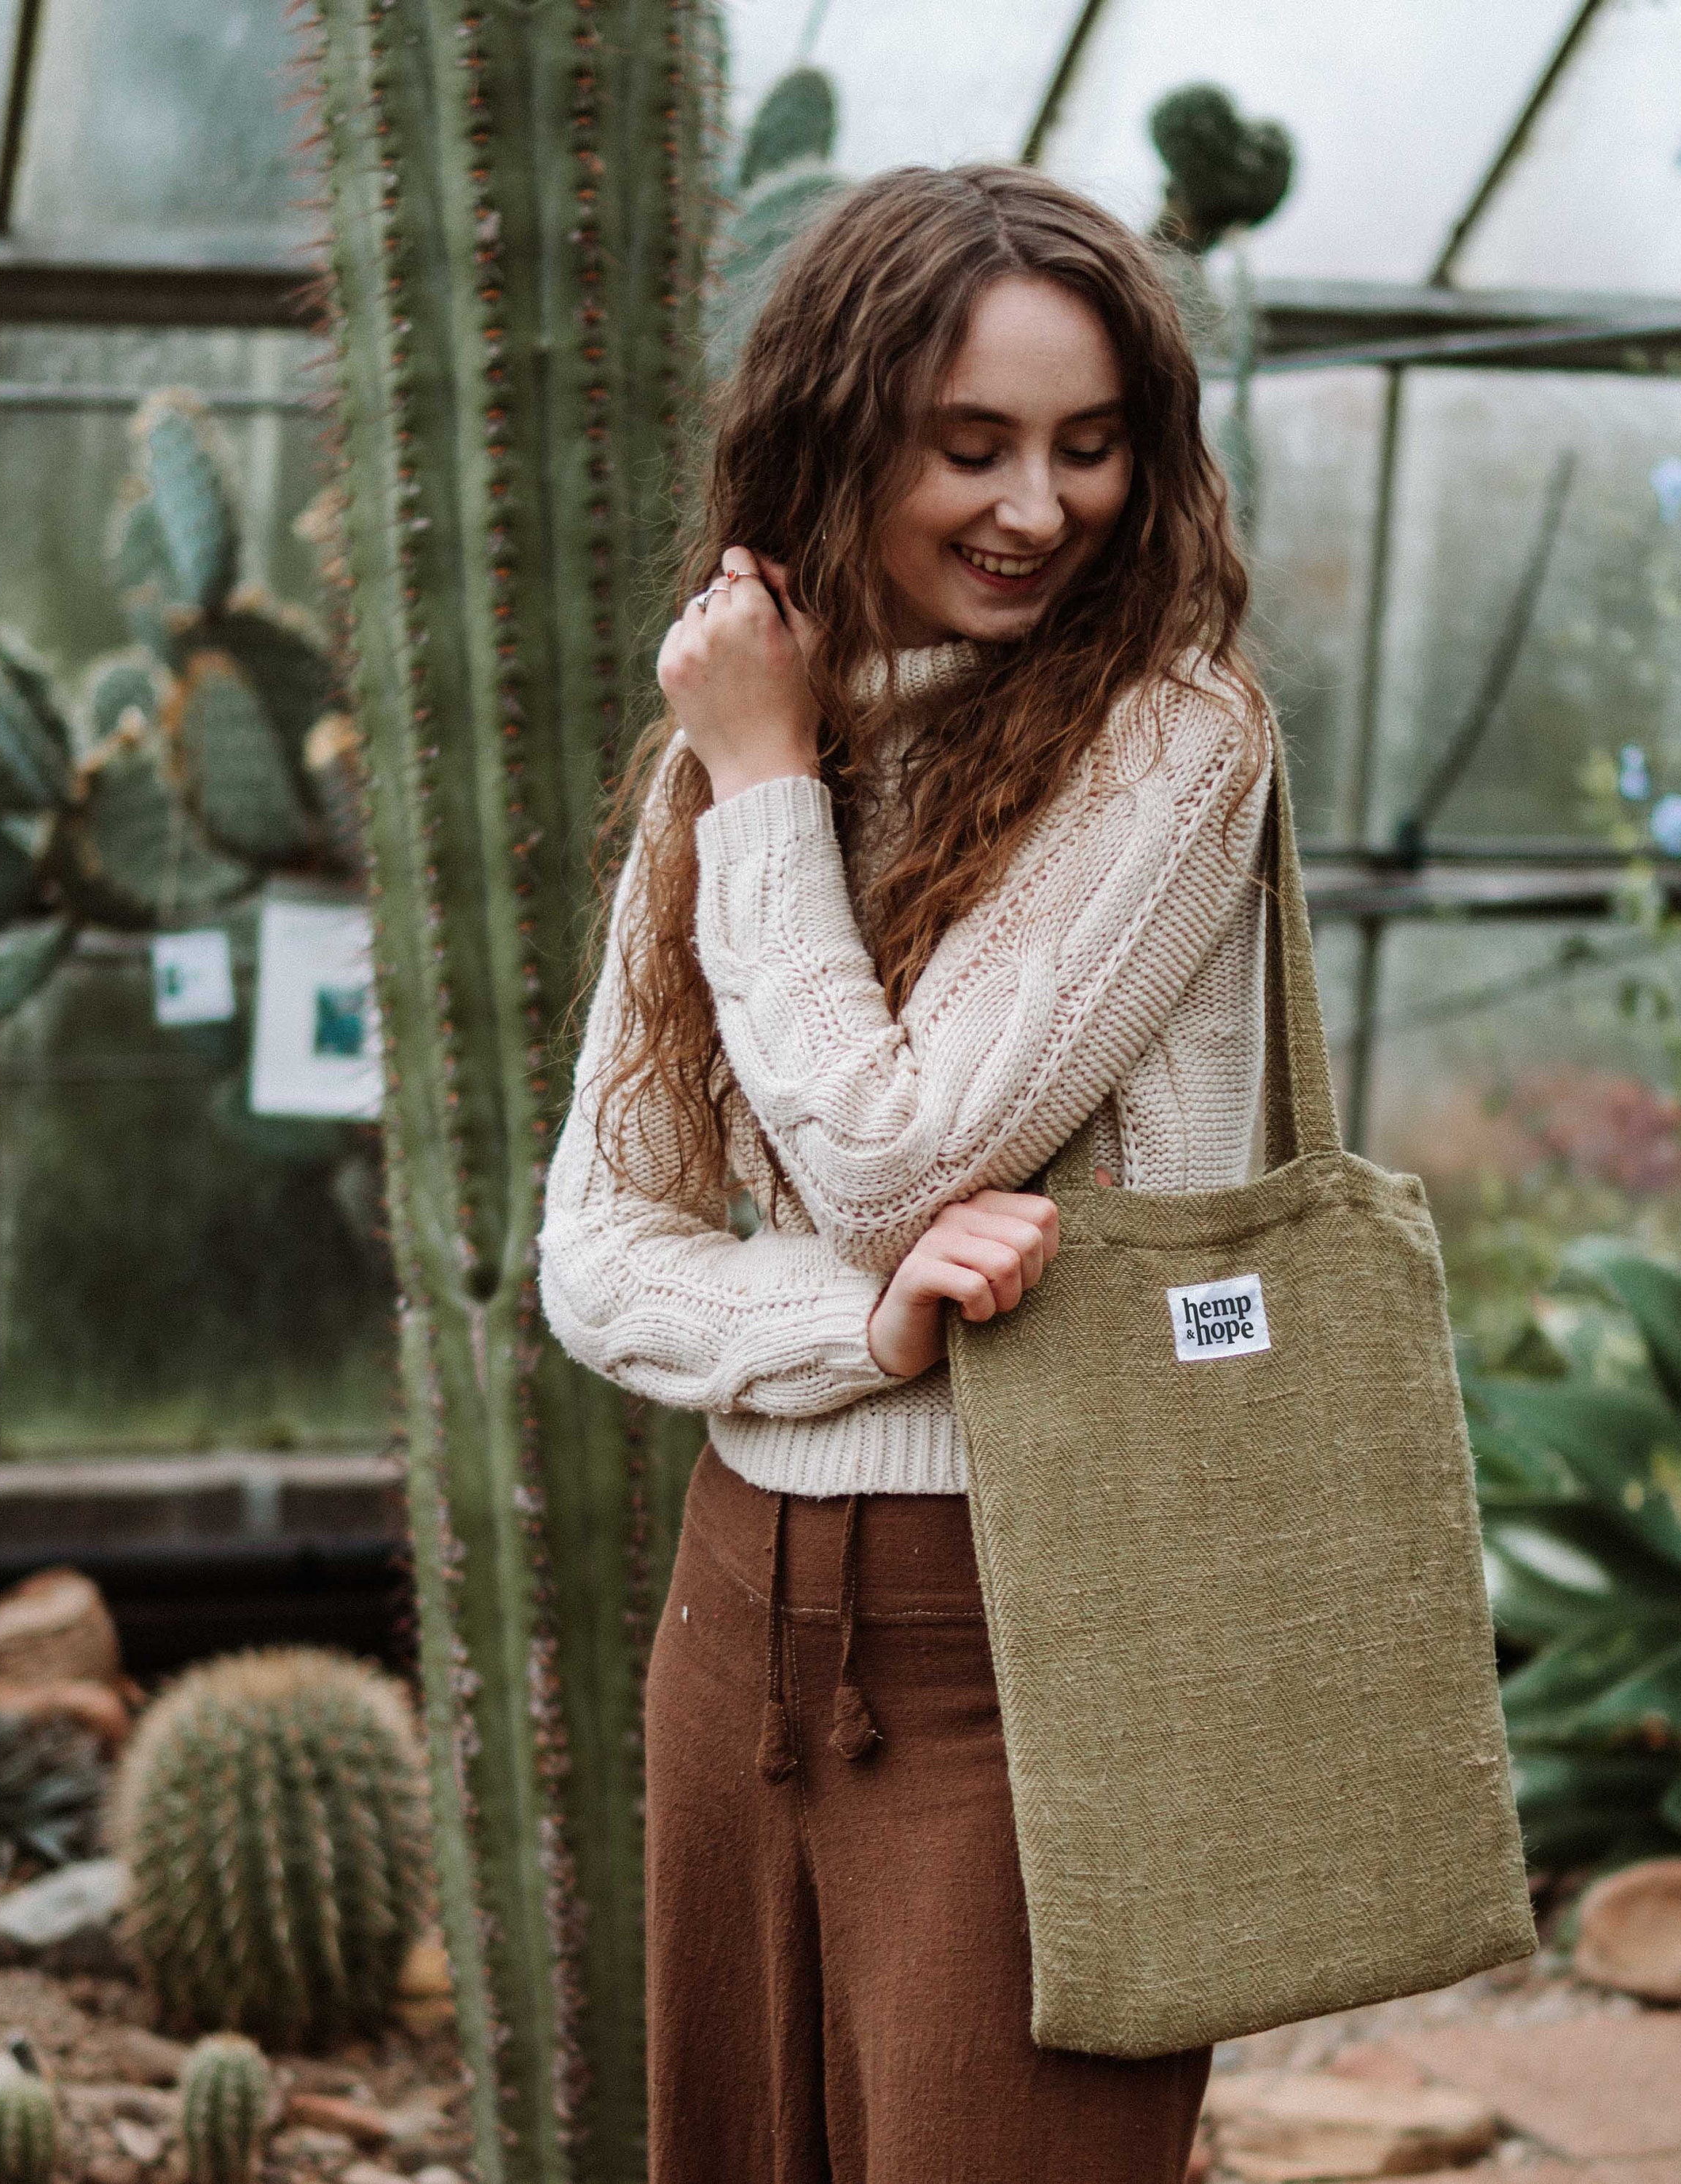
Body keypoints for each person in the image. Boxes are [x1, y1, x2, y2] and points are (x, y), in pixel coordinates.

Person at [539, 161, 1277, 2184]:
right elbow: (598, 1254)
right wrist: (853, 1327)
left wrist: (762, 784)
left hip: (1044, 1633)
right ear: (843, 430)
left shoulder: (1169, 745)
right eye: (971, 446)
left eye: (1090, 448)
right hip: (736, 1615)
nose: (1038, 506)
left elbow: (893, 1151)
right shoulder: (753, 732)